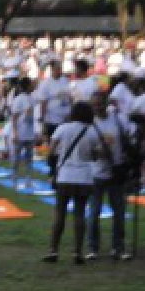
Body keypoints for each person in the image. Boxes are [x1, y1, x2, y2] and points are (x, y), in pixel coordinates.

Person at [45, 101, 100, 264]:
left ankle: (53, 250)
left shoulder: (62, 128)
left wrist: (53, 169)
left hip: (65, 175)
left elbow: (51, 151)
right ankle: (77, 252)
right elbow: (96, 156)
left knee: (59, 215)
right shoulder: (92, 131)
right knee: (80, 215)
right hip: (84, 177)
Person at [88, 91, 132, 260]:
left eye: (99, 103)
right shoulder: (89, 124)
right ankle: (93, 248)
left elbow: (126, 139)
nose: (97, 107)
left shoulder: (117, 119)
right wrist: (97, 153)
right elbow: (87, 151)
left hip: (116, 171)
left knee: (119, 212)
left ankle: (118, 248)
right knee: (94, 212)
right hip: (96, 173)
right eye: (94, 104)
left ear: (106, 103)